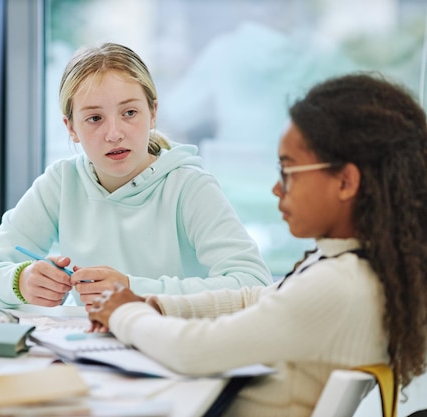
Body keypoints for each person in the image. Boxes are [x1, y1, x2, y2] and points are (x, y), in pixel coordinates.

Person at [87, 73, 427, 417]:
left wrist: (124, 313)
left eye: (289, 171)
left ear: (345, 181)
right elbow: (255, 297)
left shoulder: (340, 285)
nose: (277, 189)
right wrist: (156, 305)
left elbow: (192, 351)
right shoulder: (355, 267)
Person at [0, 42, 272, 309]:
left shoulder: (188, 186)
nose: (114, 134)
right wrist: (19, 281)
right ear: (71, 127)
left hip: (174, 349)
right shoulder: (62, 183)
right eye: (94, 118)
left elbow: (254, 285)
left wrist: (133, 291)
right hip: (88, 350)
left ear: (153, 113)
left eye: (129, 112)